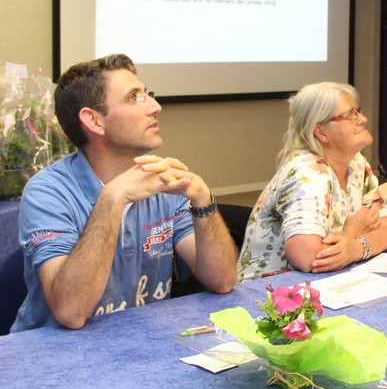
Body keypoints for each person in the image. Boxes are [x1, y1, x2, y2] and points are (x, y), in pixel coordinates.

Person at [12, 54, 237, 332]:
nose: (155, 107)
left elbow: (222, 280)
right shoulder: (47, 192)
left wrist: (203, 200)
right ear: (94, 121)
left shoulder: (161, 180)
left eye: (148, 94)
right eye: (134, 98)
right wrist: (112, 199)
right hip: (51, 353)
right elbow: (71, 312)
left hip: (138, 341)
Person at [238, 82, 387, 280]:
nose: (363, 119)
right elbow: (307, 257)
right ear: (321, 132)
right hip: (270, 290)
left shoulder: (357, 163)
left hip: (326, 282)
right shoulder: (309, 173)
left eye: (358, 111)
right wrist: (352, 232)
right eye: (350, 115)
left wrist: (356, 247)